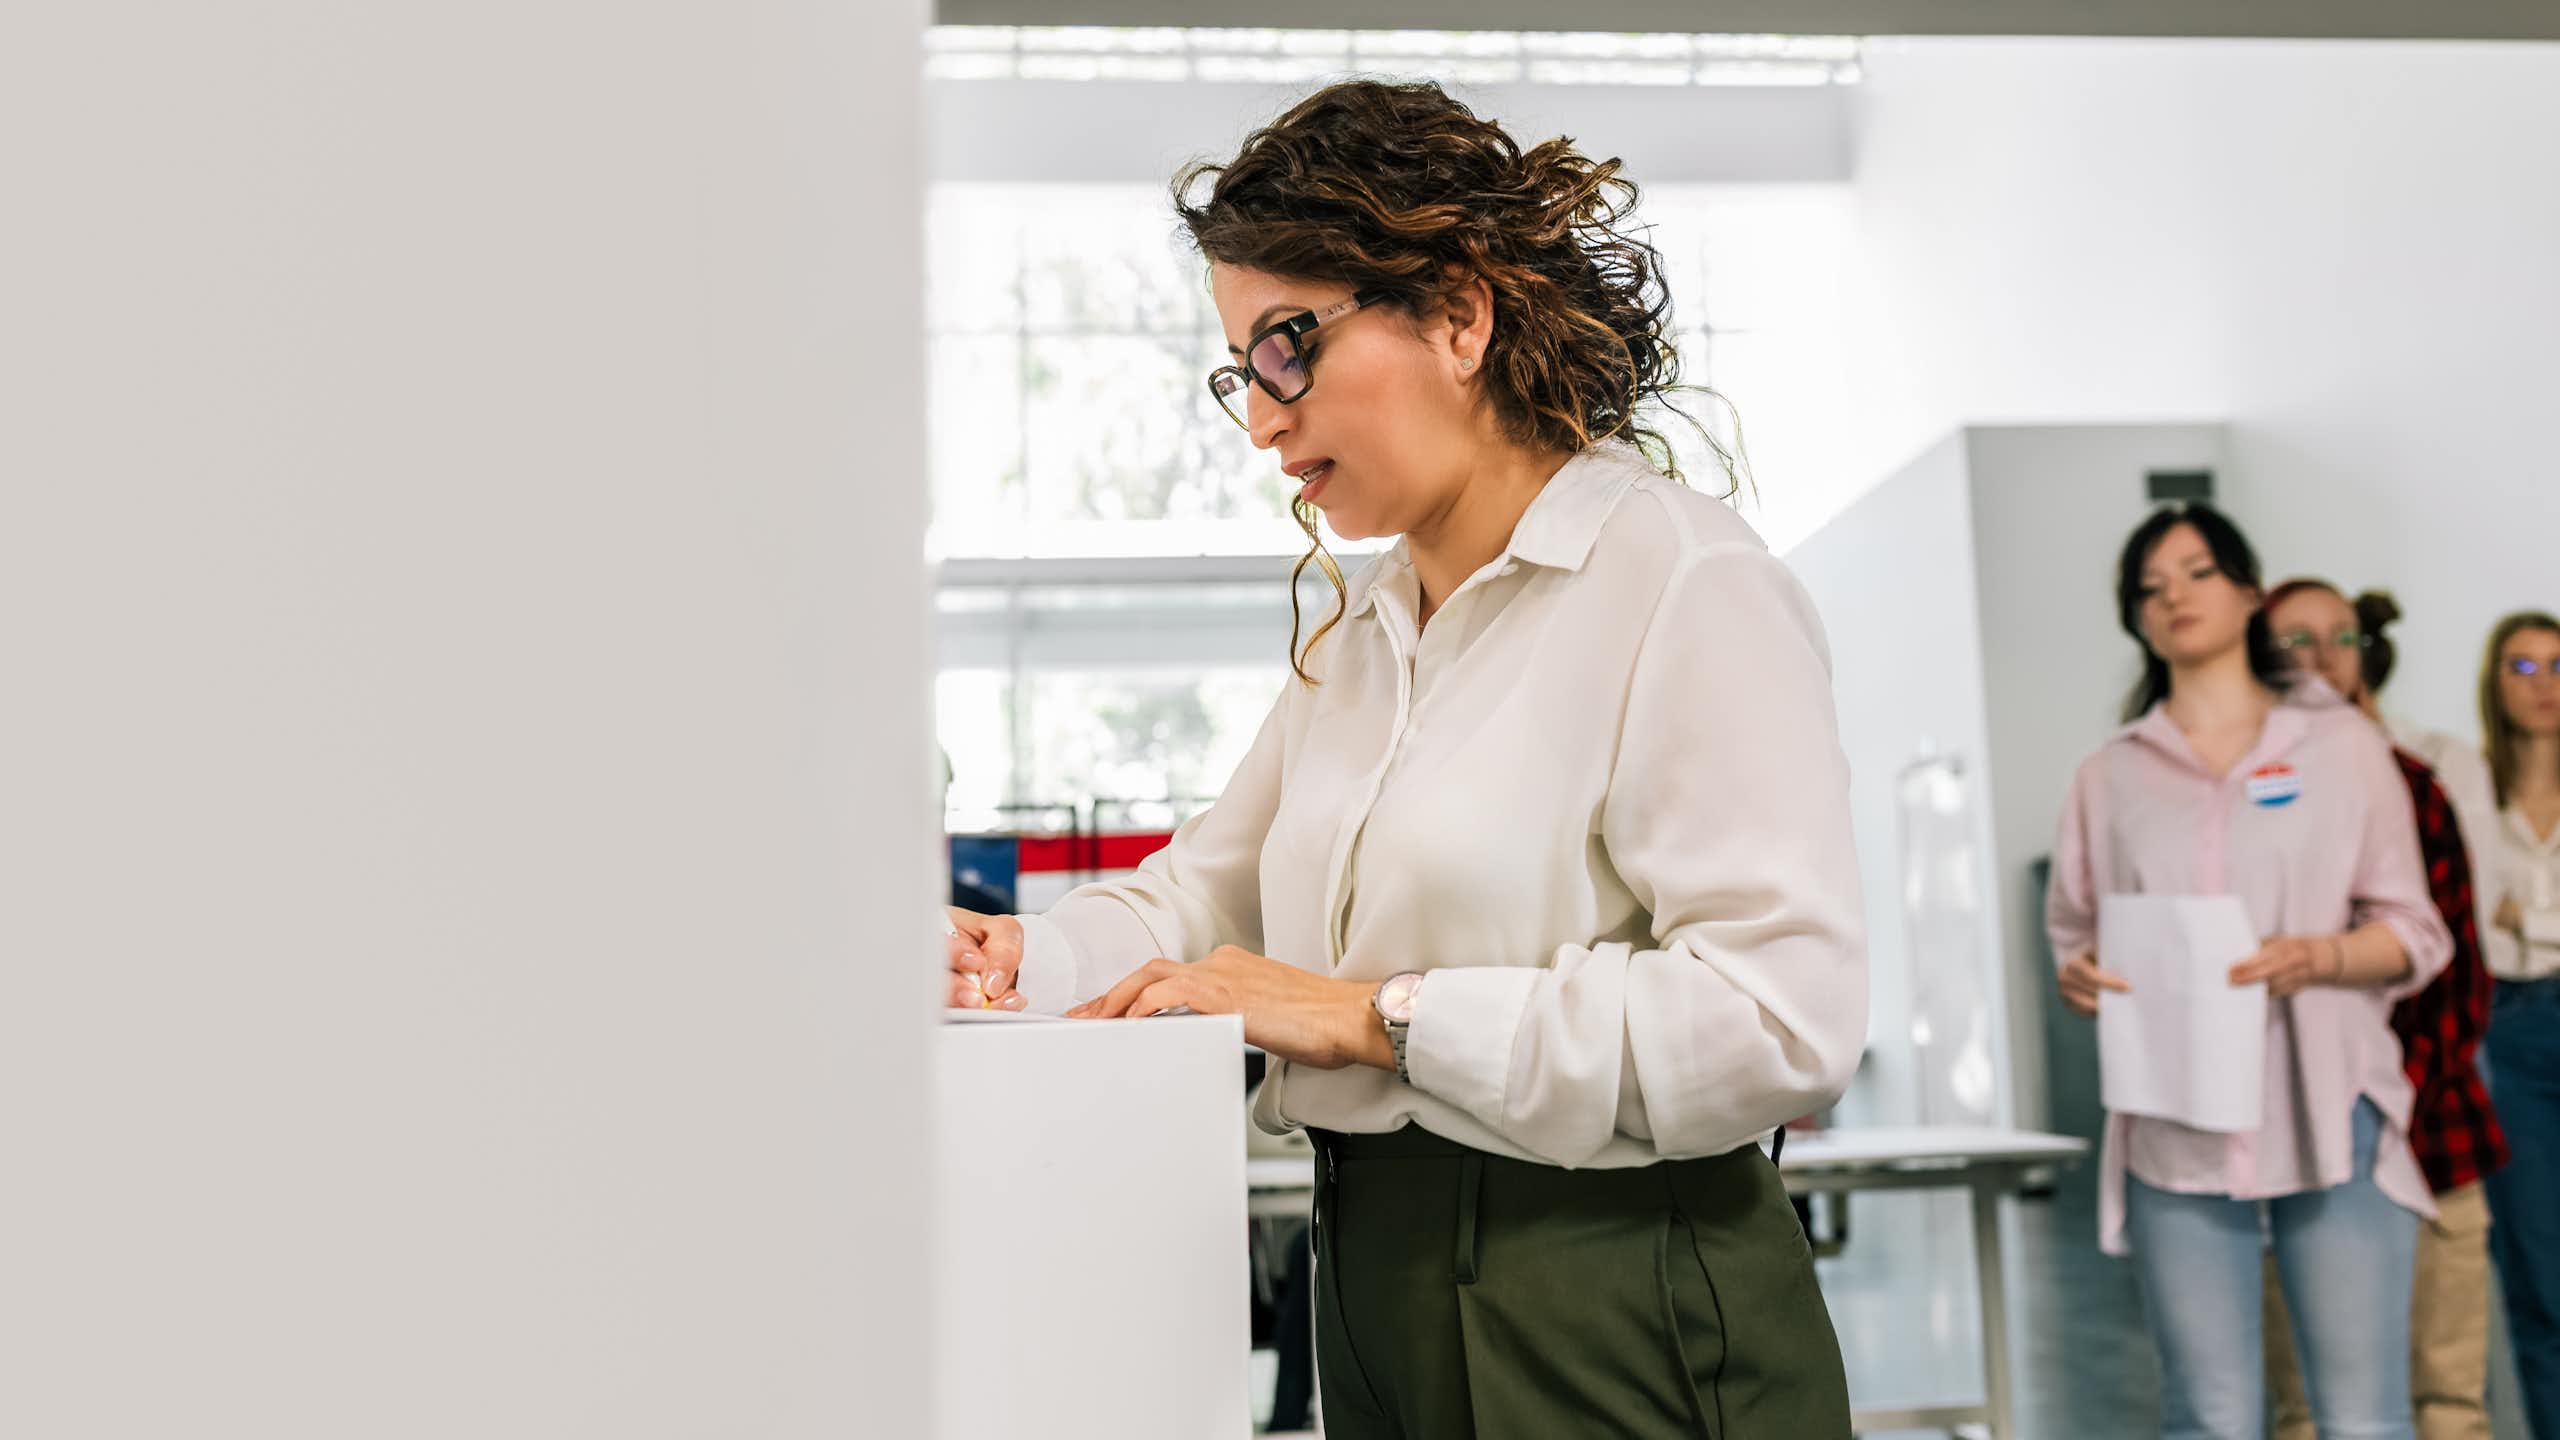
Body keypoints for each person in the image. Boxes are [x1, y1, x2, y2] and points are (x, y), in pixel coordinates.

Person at [941, 79, 1865, 1438]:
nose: (1260, 420)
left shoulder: (1682, 581)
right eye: (1240, 371)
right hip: (1368, 1273)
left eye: (1288, 347)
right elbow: (1206, 892)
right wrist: (1023, 960)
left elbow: (1777, 1021)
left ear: (1458, 315)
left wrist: (1377, 1015)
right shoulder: (1368, 632)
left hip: (1615, 1289)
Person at [2048, 505, 2451, 1440]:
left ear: (2248, 592)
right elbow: (2075, 931)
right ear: (2136, 618)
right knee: (2209, 1417)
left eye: (2195, 572)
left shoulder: (2344, 750)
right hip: (2174, 1117)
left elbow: (2416, 932)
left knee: (2362, 1421)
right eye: (2150, 587)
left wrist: (2321, 955)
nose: (2173, 596)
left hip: (2330, 1106)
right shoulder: (2109, 776)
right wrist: (2079, 973)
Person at [2257, 578, 2506, 1440]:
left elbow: (2458, 970)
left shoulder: (2418, 781)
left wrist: (2388, 1096)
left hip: (2432, 1125)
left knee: (2447, 1401)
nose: (2322, 660)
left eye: (2341, 638)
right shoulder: (2245, 792)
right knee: (2309, 1411)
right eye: (2296, 640)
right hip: (2301, 1137)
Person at [2479, 610, 2560, 1439]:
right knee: (2541, 1277)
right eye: (2522, 667)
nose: (2542, 685)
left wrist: (2525, 920)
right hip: (2510, 1028)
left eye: (2558, 665)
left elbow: (2506, 920)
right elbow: (2473, 923)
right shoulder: (2472, 792)